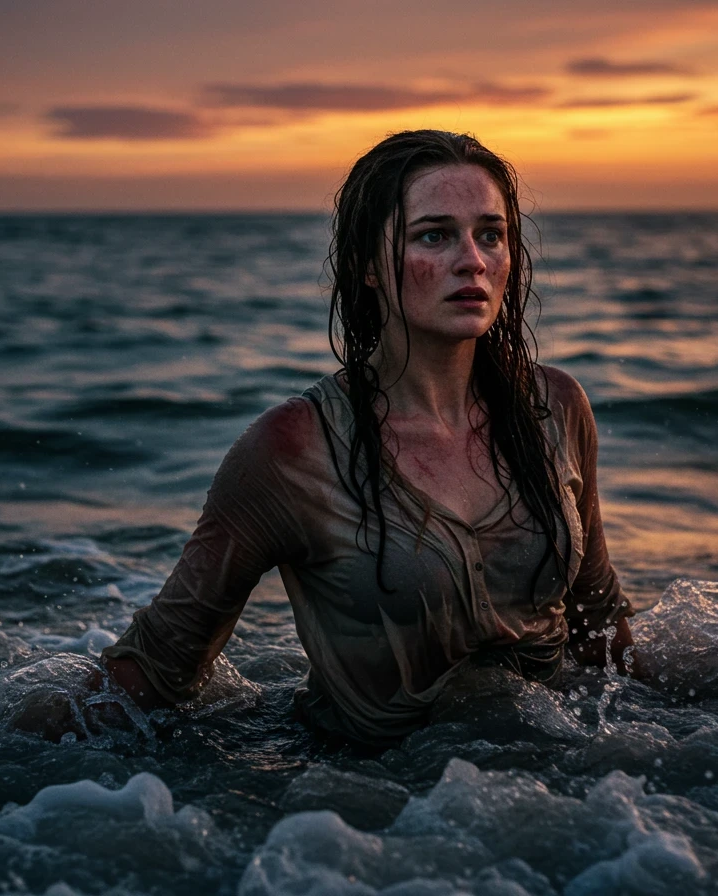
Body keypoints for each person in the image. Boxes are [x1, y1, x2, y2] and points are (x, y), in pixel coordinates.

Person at [35, 130, 640, 748]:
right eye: (433, 235)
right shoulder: (293, 448)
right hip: (369, 808)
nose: (473, 260)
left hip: (560, 797)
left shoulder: (555, 408)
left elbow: (600, 627)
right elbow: (162, 666)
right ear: (366, 266)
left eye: (490, 234)